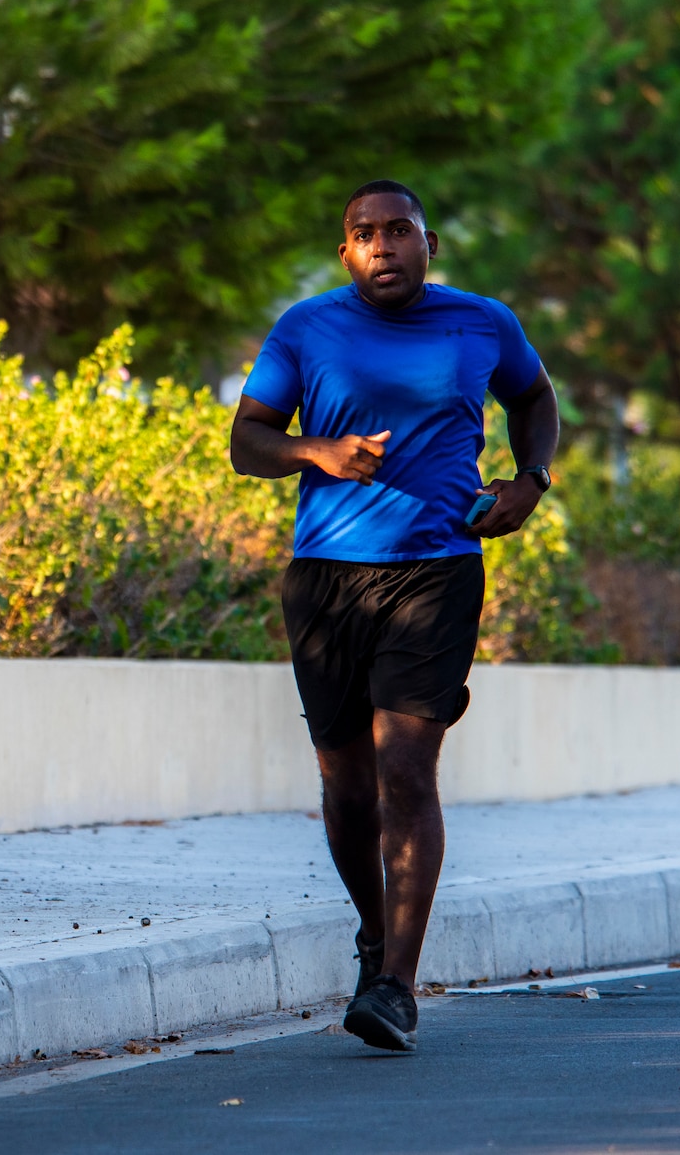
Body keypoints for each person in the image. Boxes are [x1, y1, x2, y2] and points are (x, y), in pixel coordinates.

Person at [229, 179, 559, 1051]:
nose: (383, 246)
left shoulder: (483, 322)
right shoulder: (306, 327)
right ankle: (375, 934)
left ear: (429, 242)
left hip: (437, 570)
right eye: (364, 234)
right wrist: (315, 450)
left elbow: (535, 397)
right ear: (345, 251)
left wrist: (530, 483)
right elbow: (246, 439)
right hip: (327, 578)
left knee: (407, 769)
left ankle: (396, 986)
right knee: (346, 782)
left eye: (399, 231)